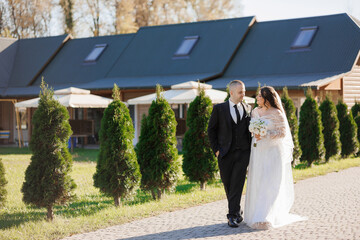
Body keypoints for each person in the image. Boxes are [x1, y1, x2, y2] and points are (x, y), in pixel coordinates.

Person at [244, 86, 306, 229]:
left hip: (273, 152)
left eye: (260, 96)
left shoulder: (277, 112)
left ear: (267, 99)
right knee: (259, 182)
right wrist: (256, 134)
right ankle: (256, 215)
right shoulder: (254, 112)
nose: (257, 98)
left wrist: (265, 134)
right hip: (259, 151)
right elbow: (252, 129)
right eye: (258, 96)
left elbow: (282, 133)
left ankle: (267, 216)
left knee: (271, 183)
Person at [208, 80, 252, 228]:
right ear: (231, 92)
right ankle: (237, 211)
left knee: (237, 184)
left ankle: (231, 216)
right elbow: (211, 130)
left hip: (243, 153)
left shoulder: (247, 108)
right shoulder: (219, 109)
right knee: (228, 184)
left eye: (244, 91)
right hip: (225, 153)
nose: (243, 94)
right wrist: (216, 150)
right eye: (240, 92)